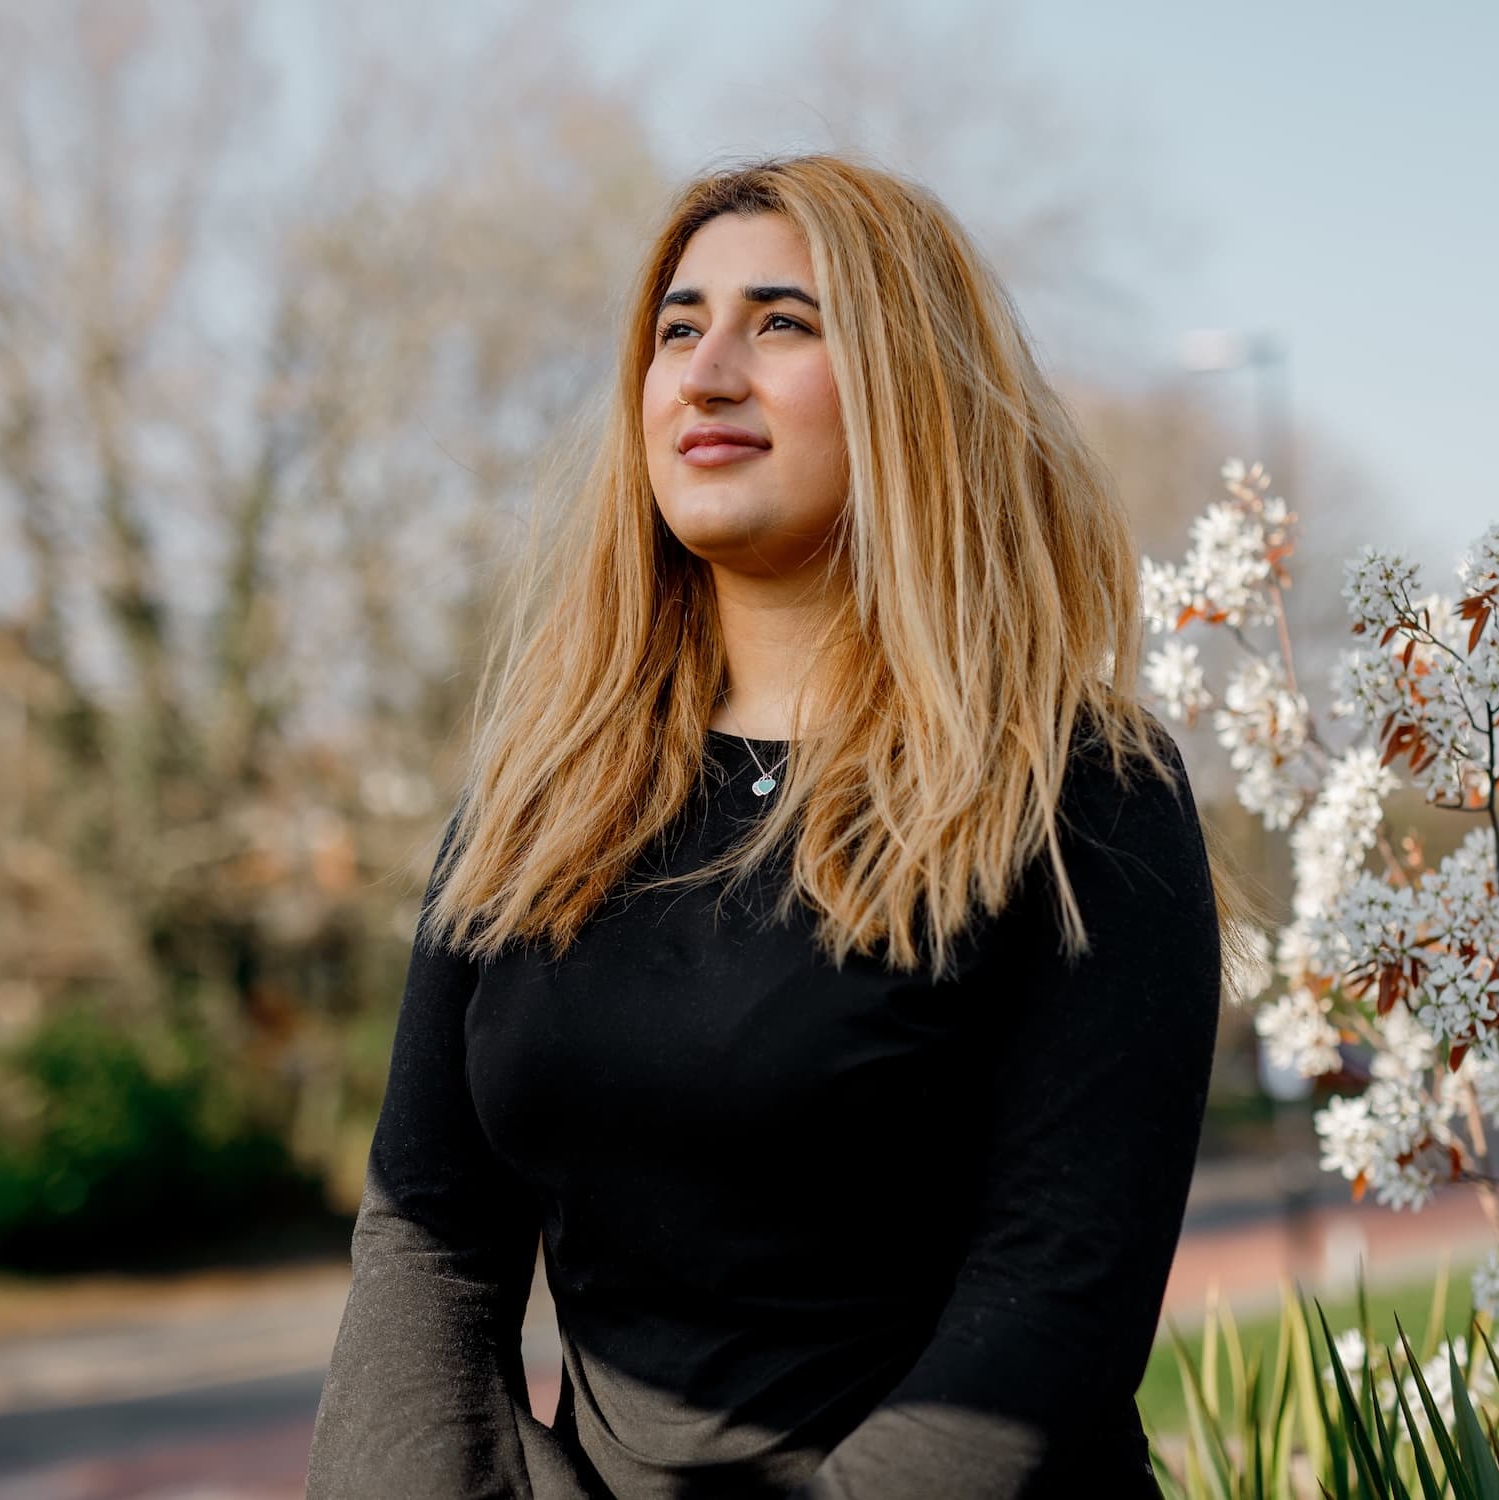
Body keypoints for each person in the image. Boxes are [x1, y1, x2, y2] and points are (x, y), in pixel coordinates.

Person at [305, 151, 1261, 1499]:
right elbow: (427, 1246)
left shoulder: (1077, 789)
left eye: (783, 323)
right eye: (678, 328)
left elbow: (1055, 1306)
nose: (707, 370)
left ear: (910, 389)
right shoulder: (537, 803)